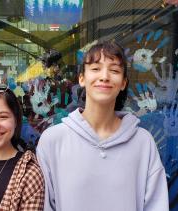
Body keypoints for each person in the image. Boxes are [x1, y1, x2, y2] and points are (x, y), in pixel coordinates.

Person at [36, 41, 169, 211]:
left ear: (123, 83)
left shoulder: (143, 142)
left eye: (114, 70)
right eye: (96, 68)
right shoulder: (53, 140)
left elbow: (156, 205)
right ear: (82, 78)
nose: (104, 76)